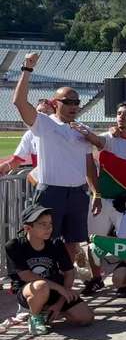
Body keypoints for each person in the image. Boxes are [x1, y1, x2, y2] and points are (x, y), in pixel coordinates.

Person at [12, 54, 98, 264]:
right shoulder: (44, 123)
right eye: (68, 102)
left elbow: (89, 165)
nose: (74, 106)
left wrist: (96, 192)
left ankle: (67, 283)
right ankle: (44, 280)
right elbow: (19, 102)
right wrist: (27, 69)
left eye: (77, 102)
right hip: (51, 191)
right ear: (55, 103)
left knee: (72, 242)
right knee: (43, 240)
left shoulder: (83, 129)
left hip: (78, 193)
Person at [74, 100, 126, 294]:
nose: (121, 117)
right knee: (95, 242)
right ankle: (96, 278)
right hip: (100, 200)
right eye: (118, 113)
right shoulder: (108, 138)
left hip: (124, 204)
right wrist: (81, 128)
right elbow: (92, 139)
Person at [5, 204, 94, 336]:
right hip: (28, 291)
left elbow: (69, 273)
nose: (49, 228)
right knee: (41, 286)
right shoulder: (14, 246)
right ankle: (34, 317)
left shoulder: (56, 244)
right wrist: (60, 289)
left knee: (86, 318)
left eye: (50, 223)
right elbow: (26, 275)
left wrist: (60, 302)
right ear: (28, 228)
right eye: (42, 224)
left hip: (55, 291)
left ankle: (48, 311)